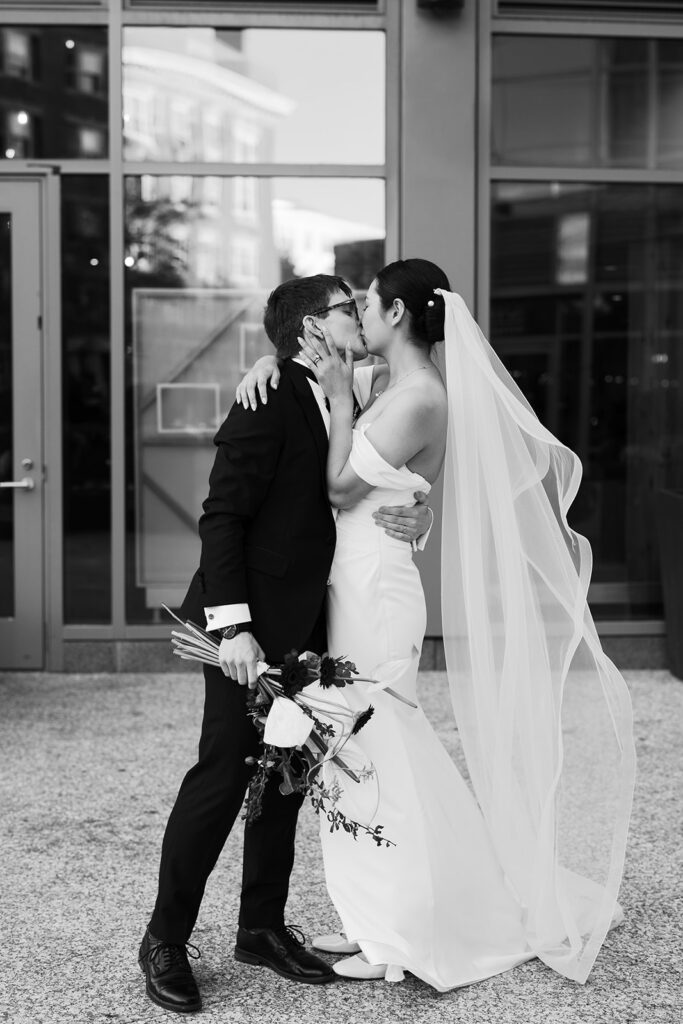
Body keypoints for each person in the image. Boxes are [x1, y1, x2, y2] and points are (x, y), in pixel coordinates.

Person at [237, 258, 636, 990]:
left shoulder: (418, 395)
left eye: (367, 304)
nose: (358, 314)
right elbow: (392, 475)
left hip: (378, 596)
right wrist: (272, 360)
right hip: (352, 584)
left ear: (396, 315)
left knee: (379, 742)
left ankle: (407, 933)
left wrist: (337, 397)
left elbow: (338, 484)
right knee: (351, 749)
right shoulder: (382, 384)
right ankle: (374, 918)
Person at [138, 274, 432, 1013]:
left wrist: (417, 515)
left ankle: (260, 928)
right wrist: (232, 626)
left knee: (286, 781)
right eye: (345, 308)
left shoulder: (354, 387)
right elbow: (220, 518)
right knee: (224, 776)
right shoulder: (264, 399)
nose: (357, 318)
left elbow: (384, 471)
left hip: (315, 624)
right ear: (309, 326)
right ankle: (164, 939)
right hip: (251, 629)